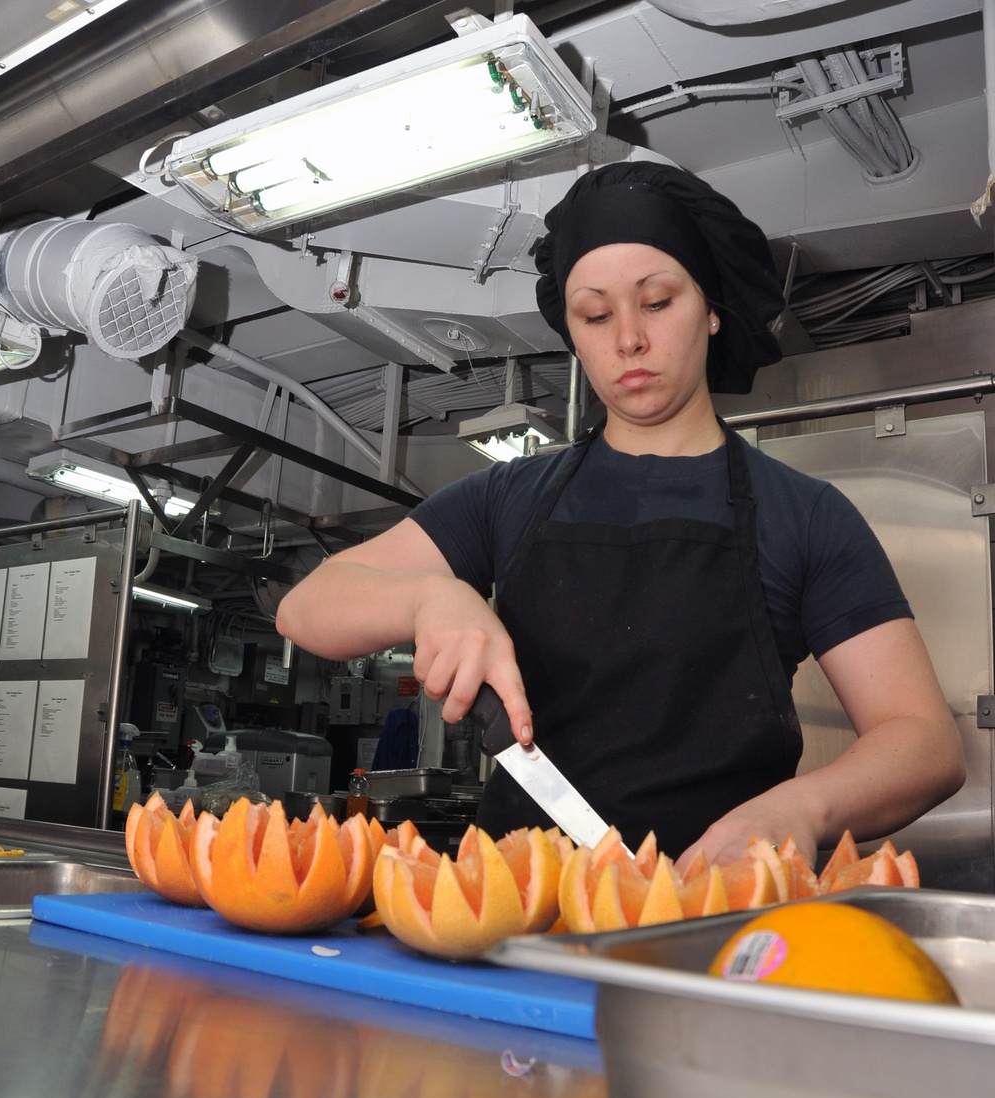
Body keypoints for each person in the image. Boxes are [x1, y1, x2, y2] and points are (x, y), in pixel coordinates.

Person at [276, 161, 965, 869]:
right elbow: (306, 609)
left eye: (658, 302)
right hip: (522, 907)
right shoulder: (504, 498)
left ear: (712, 308)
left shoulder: (807, 515)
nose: (628, 339)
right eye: (596, 315)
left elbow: (923, 741)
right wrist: (429, 598)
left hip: (714, 908)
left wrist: (805, 806)